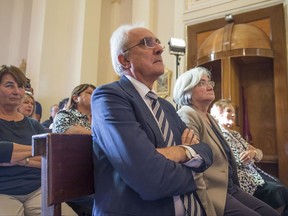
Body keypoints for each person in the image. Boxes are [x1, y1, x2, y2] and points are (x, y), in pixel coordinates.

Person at [91, 23, 213, 216]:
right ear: (124, 60)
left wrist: (176, 152)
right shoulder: (109, 97)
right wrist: (193, 171)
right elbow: (150, 180)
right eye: (146, 43)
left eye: (157, 42)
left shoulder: (166, 106)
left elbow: (206, 152)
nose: (159, 48)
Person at [173, 66, 280, 216]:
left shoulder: (210, 118)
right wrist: (206, 206)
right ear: (187, 90)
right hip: (213, 191)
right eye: (202, 83)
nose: (209, 86)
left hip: (230, 187)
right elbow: (194, 164)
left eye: (209, 82)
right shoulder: (187, 113)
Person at [0, 65, 76, 216]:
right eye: (9, 85)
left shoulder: (33, 125)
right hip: (3, 192)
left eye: (21, 87)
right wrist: (37, 150)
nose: (17, 91)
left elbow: (52, 157)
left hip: (38, 190)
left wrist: (18, 158)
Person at [210, 99, 288, 216]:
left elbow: (258, 153)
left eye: (234, 112)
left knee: (282, 189)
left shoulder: (235, 134)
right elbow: (237, 160)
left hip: (255, 174)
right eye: (229, 111)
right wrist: (252, 154)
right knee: (281, 191)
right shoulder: (217, 134)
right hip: (243, 180)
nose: (233, 114)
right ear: (218, 113)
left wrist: (254, 153)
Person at [53, 83, 96, 216]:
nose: (94, 95)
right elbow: (68, 131)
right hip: (73, 178)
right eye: (89, 93)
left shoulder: (99, 117)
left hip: (97, 173)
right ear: (76, 98)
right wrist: (99, 133)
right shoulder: (64, 114)